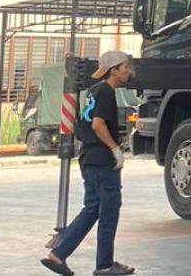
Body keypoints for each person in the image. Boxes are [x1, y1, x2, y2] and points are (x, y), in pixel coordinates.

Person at [41, 50, 136, 276]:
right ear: (114, 70)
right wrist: (115, 149)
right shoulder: (106, 93)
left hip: (88, 158)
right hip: (102, 159)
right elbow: (97, 124)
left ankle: (58, 254)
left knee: (92, 208)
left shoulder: (93, 91)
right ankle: (104, 264)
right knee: (109, 210)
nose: (128, 71)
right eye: (125, 67)